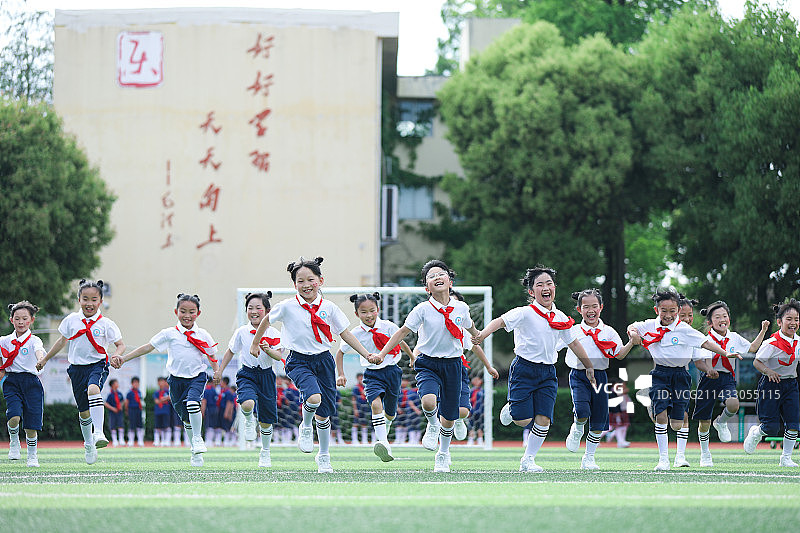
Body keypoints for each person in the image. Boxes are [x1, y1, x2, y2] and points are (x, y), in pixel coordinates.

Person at [249, 256, 374, 473]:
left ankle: (324, 456)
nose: (306, 285)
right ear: (294, 284)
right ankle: (306, 426)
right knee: (314, 398)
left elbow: (345, 333)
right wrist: (254, 343)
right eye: (300, 281)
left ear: (320, 280)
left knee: (324, 413)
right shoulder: (287, 306)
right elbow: (267, 320)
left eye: (311, 280)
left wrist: (366, 353)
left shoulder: (329, 308)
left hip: (323, 360)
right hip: (298, 360)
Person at [473, 266, 596, 473]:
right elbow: (499, 322)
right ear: (532, 292)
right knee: (523, 420)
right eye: (540, 285)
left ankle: (528, 460)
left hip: (548, 373)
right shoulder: (524, 312)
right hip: (524, 369)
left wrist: (589, 366)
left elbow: (574, 343)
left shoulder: (561, 318)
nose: (545, 288)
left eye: (549, 284)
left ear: (554, 288)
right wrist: (482, 335)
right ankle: (512, 408)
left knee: (544, 419)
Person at [375, 260, 483, 473]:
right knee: (428, 401)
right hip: (428, 363)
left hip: (453, 364)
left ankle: (442, 454)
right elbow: (402, 332)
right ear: (427, 288)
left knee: (450, 415)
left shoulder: (461, 307)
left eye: (440, 274)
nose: (437, 277)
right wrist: (382, 353)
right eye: (431, 276)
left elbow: (471, 327)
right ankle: (432, 424)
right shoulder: (422, 309)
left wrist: (478, 335)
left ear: (450, 282)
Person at [627, 288, 741, 471]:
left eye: (673, 311)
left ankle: (675, 446)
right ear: (656, 310)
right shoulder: (650, 325)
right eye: (664, 311)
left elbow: (706, 343)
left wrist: (725, 352)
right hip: (660, 374)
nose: (668, 315)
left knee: (677, 423)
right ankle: (663, 460)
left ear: (677, 310)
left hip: (681, 376)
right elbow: (633, 326)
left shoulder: (684, 330)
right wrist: (633, 333)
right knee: (661, 415)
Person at [111, 293, 219, 467]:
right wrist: (124, 358)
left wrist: (217, 372)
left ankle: (198, 439)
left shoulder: (203, 334)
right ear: (176, 312)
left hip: (197, 377)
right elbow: (147, 347)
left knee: (193, 404)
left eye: (191, 312)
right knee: (186, 419)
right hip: (176, 381)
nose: (187, 315)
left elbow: (212, 356)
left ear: (198, 313)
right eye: (183, 311)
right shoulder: (169, 333)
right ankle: (195, 451)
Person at [37, 279, 125, 465]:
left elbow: (120, 345)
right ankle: (88, 444)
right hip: (76, 369)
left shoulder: (106, 323)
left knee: (94, 389)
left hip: (98, 365)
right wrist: (45, 359)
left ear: (100, 301)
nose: (89, 303)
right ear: (79, 299)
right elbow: (61, 341)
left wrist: (117, 355)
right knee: (84, 412)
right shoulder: (71, 320)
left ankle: (99, 432)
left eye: (94, 299)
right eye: (85, 299)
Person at [336, 292, 415, 462]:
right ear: (357, 314)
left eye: (372, 310)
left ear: (378, 310)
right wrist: (341, 374)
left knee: (391, 414)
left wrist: (412, 357)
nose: (369, 315)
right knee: (375, 403)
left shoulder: (388, 326)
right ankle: (384, 443)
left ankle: (386, 426)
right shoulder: (355, 333)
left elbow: (401, 342)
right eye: (363, 312)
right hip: (372, 374)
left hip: (392, 372)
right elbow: (340, 352)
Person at [564, 289, 634, 470]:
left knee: (599, 420)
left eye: (594, 306)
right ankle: (577, 428)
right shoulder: (573, 330)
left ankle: (589, 458)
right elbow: (553, 344)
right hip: (578, 375)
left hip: (600, 377)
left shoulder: (609, 332)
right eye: (586, 307)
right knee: (582, 410)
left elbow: (619, 354)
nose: (590, 310)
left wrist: (632, 342)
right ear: (579, 309)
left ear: (601, 307)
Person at [692, 301, 769, 466]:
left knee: (734, 405)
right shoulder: (705, 340)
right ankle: (705, 454)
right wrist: (709, 369)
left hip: (726, 378)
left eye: (725, 316)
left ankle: (721, 421)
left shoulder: (734, 337)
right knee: (704, 421)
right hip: (708, 380)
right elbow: (701, 361)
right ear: (710, 322)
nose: (722, 319)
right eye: (717, 317)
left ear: (729, 318)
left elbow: (752, 348)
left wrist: (763, 330)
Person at [215, 292, 283, 466]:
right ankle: (248, 420)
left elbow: (278, 356)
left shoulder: (274, 332)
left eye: (258, 308)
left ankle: (265, 452)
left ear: (267, 311)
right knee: (247, 404)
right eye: (250, 308)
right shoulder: (242, 332)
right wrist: (220, 370)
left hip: (267, 376)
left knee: (267, 421)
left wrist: (268, 350)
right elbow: (231, 351)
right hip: (247, 374)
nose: (253, 311)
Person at [744, 299, 800, 467]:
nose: (793, 323)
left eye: (796, 319)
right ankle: (756, 432)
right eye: (789, 319)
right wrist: (768, 371)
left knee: (794, 424)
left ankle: (786, 458)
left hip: (791, 385)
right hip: (770, 385)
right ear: (779, 322)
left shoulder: (798, 342)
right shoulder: (771, 343)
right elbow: (757, 362)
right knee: (771, 427)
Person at [449, 291, 499, 442]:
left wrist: (489, 367)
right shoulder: (430, 322)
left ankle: (459, 419)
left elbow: (476, 347)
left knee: (463, 411)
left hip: (456, 367)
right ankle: (432, 426)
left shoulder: (462, 330)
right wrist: (415, 356)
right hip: (435, 367)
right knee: (432, 401)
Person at [1, 301, 46, 467]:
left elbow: (38, 351)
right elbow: (1, 366)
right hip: (12, 381)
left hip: (31, 382)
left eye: (24, 318)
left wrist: (41, 360)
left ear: (32, 320)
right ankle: (14, 441)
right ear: (11, 320)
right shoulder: (4, 341)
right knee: (13, 415)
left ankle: (32, 456)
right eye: (17, 318)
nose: (21, 322)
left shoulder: (34, 340)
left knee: (31, 424)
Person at [104, 378, 126, 447]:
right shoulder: (110, 395)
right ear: (113, 385)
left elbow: (123, 401)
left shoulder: (119, 393)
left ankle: (121, 439)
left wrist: (121, 406)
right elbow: (106, 403)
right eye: (116, 383)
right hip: (112, 412)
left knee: (121, 425)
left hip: (119, 412)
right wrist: (113, 408)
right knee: (112, 425)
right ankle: (115, 440)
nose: (118, 384)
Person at [350, 373, 370, 445]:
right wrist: (355, 409)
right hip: (358, 407)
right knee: (355, 423)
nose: (361, 379)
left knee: (364, 423)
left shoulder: (365, 387)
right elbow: (353, 399)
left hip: (365, 407)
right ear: (357, 378)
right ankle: (354, 439)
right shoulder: (356, 388)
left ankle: (364, 440)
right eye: (360, 378)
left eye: (362, 378)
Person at [125, 376, 145, 447]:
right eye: (134, 383)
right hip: (131, 409)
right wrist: (127, 410)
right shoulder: (129, 393)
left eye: (137, 383)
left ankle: (140, 440)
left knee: (139, 425)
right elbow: (126, 402)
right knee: (131, 425)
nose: (136, 384)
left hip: (138, 410)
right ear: (132, 384)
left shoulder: (139, 392)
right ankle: (131, 441)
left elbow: (140, 401)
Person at [153, 377, 172, 447]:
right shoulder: (156, 392)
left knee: (166, 426)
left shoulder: (168, 391)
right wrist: (164, 399)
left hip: (166, 411)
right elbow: (156, 401)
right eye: (159, 382)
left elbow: (170, 397)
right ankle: (157, 440)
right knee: (158, 427)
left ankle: (166, 440)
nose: (161, 383)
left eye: (162, 382)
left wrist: (163, 399)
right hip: (158, 412)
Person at [201, 376, 219, 447]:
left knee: (208, 425)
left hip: (208, 408)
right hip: (214, 408)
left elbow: (204, 401)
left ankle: (208, 441)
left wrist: (202, 411)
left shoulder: (206, 390)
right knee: (212, 425)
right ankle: (210, 440)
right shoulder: (214, 390)